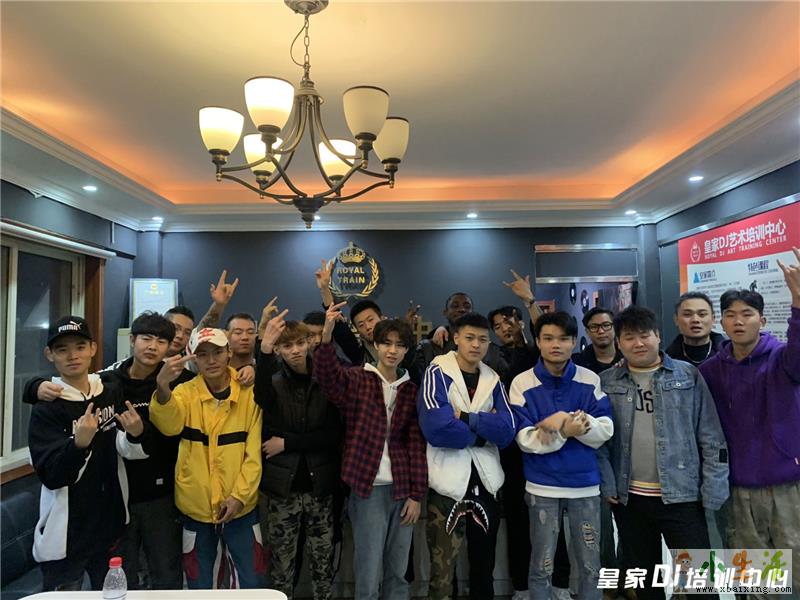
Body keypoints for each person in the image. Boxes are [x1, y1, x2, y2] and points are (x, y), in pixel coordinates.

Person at [598, 306, 729, 600]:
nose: (638, 343)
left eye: (644, 335)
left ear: (658, 336)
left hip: (683, 497)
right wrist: (608, 483)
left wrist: (713, 487)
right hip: (630, 500)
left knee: (700, 585)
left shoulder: (687, 375)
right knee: (646, 584)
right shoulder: (607, 382)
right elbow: (599, 444)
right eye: (629, 337)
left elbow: (711, 436)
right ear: (618, 342)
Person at [698, 247, 800, 593]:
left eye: (747, 314)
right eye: (730, 315)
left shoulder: (782, 360)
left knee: (795, 566)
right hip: (737, 487)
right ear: (721, 322)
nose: (738, 321)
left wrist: (798, 303)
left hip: (786, 483)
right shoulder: (710, 371)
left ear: (763, 320)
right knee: (757, 579)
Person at [314, 304, 427, 600]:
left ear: (406, 350)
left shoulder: (411, 390)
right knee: (368, 569)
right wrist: (326, 335)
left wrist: (416, 495)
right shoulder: (356, 378)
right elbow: (326, 377)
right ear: (375, 345)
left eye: (399, 345)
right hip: (367, 488)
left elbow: (416, 444)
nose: (392, 350)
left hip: (402, 490)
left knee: (398, 570)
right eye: (386, 343)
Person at [28, 316, 148, 591]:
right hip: (66, 535)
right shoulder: (46, 407)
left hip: (110, 525)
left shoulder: (109, 390)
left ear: (93, 348)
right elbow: (51, 475)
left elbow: (125, 448)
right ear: (49, 354)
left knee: (115, 594)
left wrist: (136, 433)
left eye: (80, 347)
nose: (73, 356)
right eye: (62, 350)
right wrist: (78, 445)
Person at [509, 311, 613, 600]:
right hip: (541, 485)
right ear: (538, 342)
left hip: (585, 486)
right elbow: (526, 439)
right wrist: (567, 431)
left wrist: (563, 420)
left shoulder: (590, 379)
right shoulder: (522, 383)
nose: (556, 345)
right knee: (541, 566)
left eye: (564, 339)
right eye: (548, 338)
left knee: (591, 566)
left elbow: (605, 430)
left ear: (574, 342)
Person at [150, 327, 265, 589]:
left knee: (251, 582)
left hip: (241, 509)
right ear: (193, 358)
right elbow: (168, 426)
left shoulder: (249, 393)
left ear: (229, 353)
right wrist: (162, 386)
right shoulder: (185, 393)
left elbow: (253, 455)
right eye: (202, 354)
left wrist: (239, 497)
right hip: (196, 509)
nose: (211, 360)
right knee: (199, 584)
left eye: (217, 352)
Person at [418, 312, 516, 600]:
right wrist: (484, 433)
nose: (476, 345)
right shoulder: (437, 372)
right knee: (442, 571)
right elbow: (437, 429)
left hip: (486, 483)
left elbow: (507, 431)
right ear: (456, 338)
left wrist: (464, 417)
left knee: (484, 567)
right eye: (470, 338)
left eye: (483, 339)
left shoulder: (493, 378)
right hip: (447, 485)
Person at [255, 312, 342, 600]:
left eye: (300, 343)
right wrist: (264, 349)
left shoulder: (325, 379)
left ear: (309, 343)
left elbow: (332, 434)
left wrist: (288, 442)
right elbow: (261, 399)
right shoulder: (273, 382)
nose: (295, 351)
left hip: (320, 485)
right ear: (279, 349)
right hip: (283, 487)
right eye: (287, 345)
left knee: (323, 562)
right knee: (282, 563)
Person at [415, 293, 508, 382]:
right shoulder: (427, 348)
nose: (462, 309)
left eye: (467, 307)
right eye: (455, 306)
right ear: (445, 312)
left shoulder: (493, 352)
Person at [665, 292, 725, 366]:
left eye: (702, 314)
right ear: (676, 320)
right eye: (687, 314)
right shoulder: (666, 360)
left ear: (713, 319)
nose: (695, 320)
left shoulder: (729, 355)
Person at [572, 307, 623, 374]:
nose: (601, 331)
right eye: (594, 327)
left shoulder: (628, 359)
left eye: (606, 325)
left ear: (615, 328)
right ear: (587, 332)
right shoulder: (577, 364)